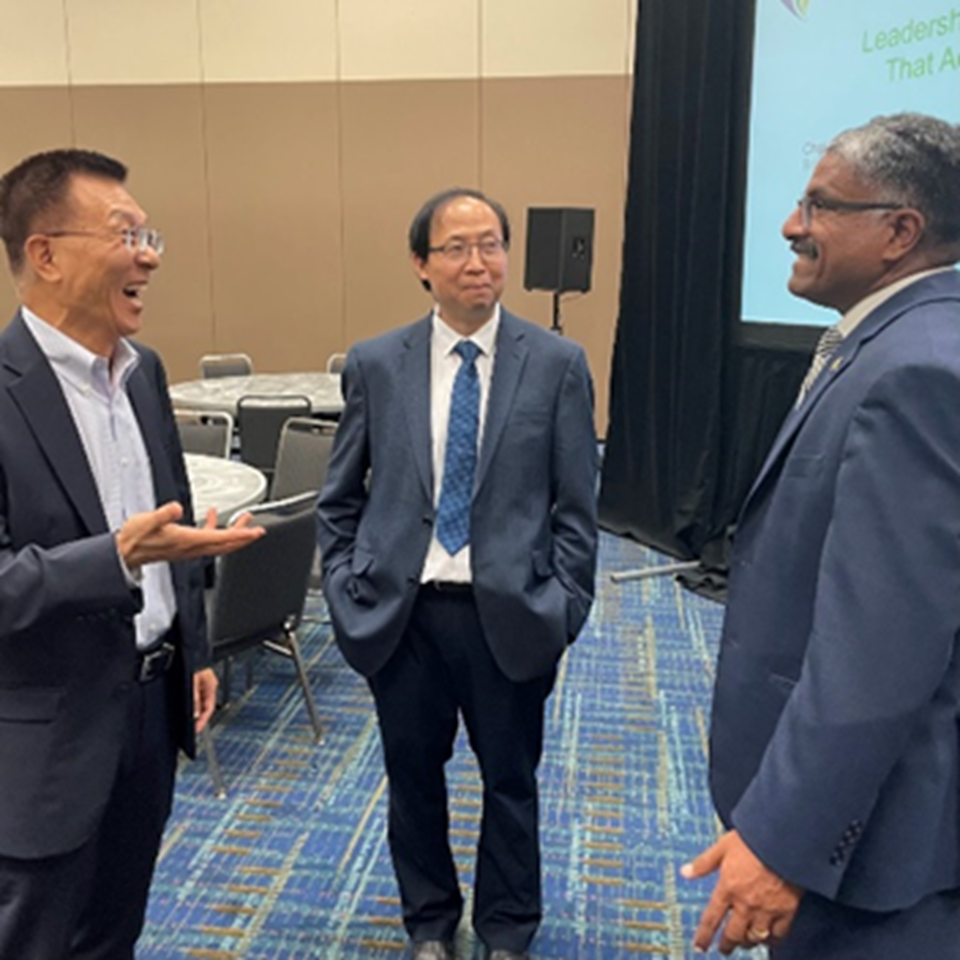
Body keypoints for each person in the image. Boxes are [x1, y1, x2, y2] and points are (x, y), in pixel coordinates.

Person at [682, 113, 960, 957]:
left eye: (817, 204)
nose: (790, 225)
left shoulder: (916, 370)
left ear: (899, 232)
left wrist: (785, 843)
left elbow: (880, 652)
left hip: (869, 856)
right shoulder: (894, 342)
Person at [317, 188, 598, 960]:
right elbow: (340, 496)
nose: (478, 262)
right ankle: (430, 923)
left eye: (491, 244)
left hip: (510, 610)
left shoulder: (557, 364)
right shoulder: (378, 363)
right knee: (413, 778)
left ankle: (508, 929)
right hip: (400, 614)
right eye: (456, 248)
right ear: (421, 264)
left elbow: (578, 505)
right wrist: (344, 587)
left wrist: (565, 604)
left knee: (510, 781)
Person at [0, 149, 264, 960]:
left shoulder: (144, 373)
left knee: (115, 935)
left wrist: (195, 647)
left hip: (149, 716)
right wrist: (112, 557)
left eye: (151, 234)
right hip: (43, 738)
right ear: (44, 254)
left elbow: (169, 526)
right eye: (126, 233)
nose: (149, 254)